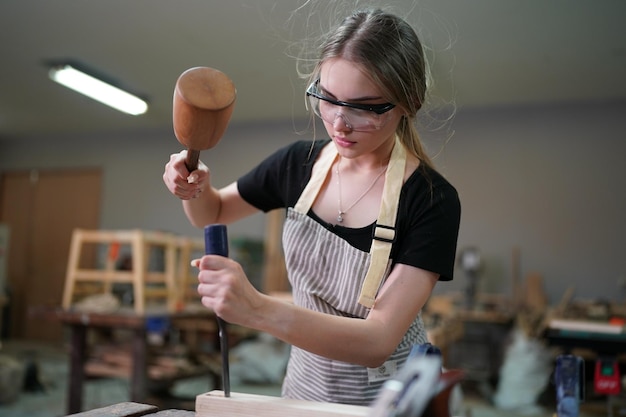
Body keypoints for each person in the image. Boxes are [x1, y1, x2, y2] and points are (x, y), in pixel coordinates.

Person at [163, 8, 460, 406]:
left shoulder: (431, 199)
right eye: (328, 98)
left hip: (387, 400)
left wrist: (255, 308)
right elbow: (213, 212)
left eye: (365, 107)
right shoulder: (297, 164)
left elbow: (377, 340)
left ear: (409, 103)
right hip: (305, 389)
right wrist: (194, 184)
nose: (340, 122)